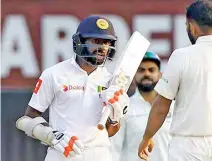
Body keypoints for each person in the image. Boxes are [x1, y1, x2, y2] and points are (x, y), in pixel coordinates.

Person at [15, 15, 129, 161]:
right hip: (63, 152)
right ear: (80, 42)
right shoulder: (55, 74)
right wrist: (51, 135)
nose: (102, 48)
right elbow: (30, 115)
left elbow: (110, 131)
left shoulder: (112, 81)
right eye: (96, 41)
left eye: (106, 42)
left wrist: (115, 117)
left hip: (99, 154)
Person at [138, 1, 212, 161]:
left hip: (187, 147)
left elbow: (161, 107)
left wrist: (147, 137)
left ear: (191, 26)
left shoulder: (181, 56)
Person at [110, 51, 174, 161]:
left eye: (151, 70)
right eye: (141, 70)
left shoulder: (172, 106)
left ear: (160, 75)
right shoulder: (124, 106)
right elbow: (114, 149)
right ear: (134, 75)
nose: (147, 74)